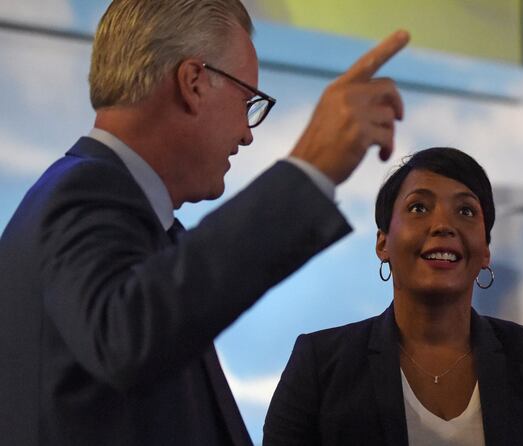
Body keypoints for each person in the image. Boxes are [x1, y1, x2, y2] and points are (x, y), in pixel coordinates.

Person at [0, 0, 410, 445]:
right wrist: (310, 169)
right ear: (193, 82)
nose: (247, 132)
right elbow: (126, 336)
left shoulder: (117, 211)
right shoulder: (83, 192)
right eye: (246, 100)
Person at [263, 147, 523, 446]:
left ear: (486, 250)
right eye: (419, 207)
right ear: (383, 243)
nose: (442, 225)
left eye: (465, 211)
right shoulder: (319, 364)